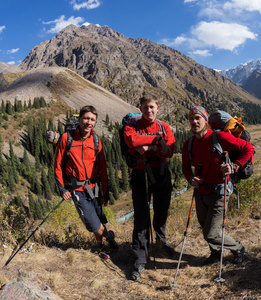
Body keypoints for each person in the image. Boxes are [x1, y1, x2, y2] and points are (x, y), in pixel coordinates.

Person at [181, 106, 255, 264]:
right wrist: (190, 179)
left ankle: (237, 247)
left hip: (220, 191)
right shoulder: (188, 144)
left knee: (211, 233)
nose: (194, 121)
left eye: (198, 118)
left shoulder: (219, 137)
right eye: (191, 119)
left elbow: (248, 148)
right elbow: (186, 167)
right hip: (200, 192)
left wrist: (235, 166)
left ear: (205, 120)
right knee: (204, 226)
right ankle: (216, 254)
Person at [123, 94, 176, 280]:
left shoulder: (165, 127)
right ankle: (140, 258)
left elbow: (170, 151)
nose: (149, 111)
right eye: (145, 107)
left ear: (158, 108)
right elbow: (132, 141)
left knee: (162, 211)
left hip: (161, 173)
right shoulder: (132, 126)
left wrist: (150, 148)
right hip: (140, 176)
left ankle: (161, 244)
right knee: (141, 215)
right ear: (140, 109)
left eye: (152, 107)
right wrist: (156, 141)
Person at [54, 105, 117, 253]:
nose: (89, 122)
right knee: (92, 222)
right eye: (86, 118)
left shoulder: (96, 140)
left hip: (94, 187)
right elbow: (57, 165)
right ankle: (110, 236)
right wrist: (62, 188)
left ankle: (99, 245)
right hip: (77, 188)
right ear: (80, 119)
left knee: (98, 218)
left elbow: (102, 169)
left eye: (92, 119)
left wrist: (106, 192)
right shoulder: (66, 138)